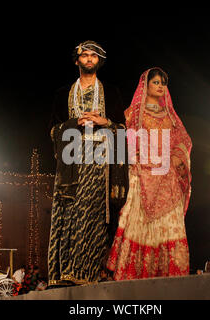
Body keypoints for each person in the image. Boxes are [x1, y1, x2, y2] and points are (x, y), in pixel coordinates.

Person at [48, 40, 128, 286]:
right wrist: (74, 124)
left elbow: (124, 129)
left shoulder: (111, 92)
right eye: (85, 55)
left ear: (99, 61)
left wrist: (106, 122)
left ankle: (89, 273)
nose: (90, 59)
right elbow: (52, 131)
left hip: (100, 162)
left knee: (93, 216)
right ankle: (65, 273)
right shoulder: (63, 94)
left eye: (94, 56)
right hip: (71, 160)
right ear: (77, 60)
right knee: (69, 213)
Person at [107, 68, 192, 280]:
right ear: (146, 85)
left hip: (166, 180)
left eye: (163, 83)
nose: (160, 86)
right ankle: (134, 276)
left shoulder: (171, 117)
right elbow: (120, 138)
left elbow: (184, 142)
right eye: (156, 82)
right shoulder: (133, 114)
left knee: (168, 228)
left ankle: (169, 276)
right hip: (140, 177)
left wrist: (175, 159)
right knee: (136, 224)